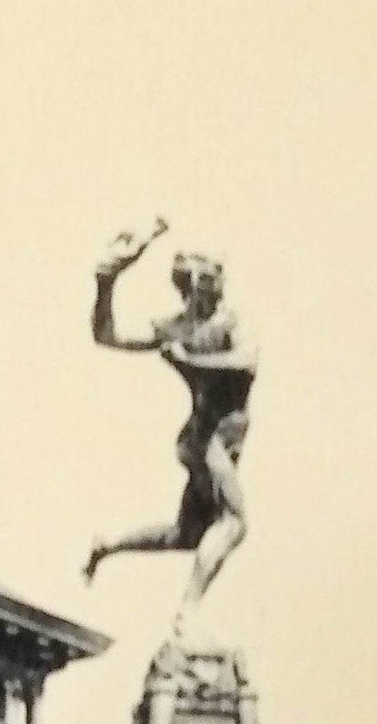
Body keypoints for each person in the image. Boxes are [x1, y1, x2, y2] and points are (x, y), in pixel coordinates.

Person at [84, 222, 256, 626]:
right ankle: (187, 613)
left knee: (187, 534)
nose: (216, 286)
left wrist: (187, 361)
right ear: (199, 283)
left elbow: (244, 361)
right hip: (207, 439)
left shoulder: (218, 328)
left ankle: (107, 545)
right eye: (211, 277)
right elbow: (107, 336)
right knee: (234, 523)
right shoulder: (190, 327)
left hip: (211, 440)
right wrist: (106, 283)